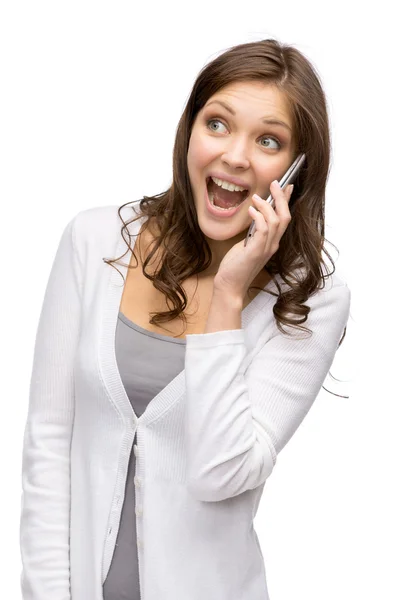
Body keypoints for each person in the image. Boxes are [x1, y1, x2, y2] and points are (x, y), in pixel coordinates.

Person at [19, 38, 351, 600]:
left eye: (268, 141)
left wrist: (228, 295)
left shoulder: (312, 302)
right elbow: (49, 441)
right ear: (188, 131)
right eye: (217, 124)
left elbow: (220, 473)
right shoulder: (94, 240)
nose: (236, 156)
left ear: (296, 171)